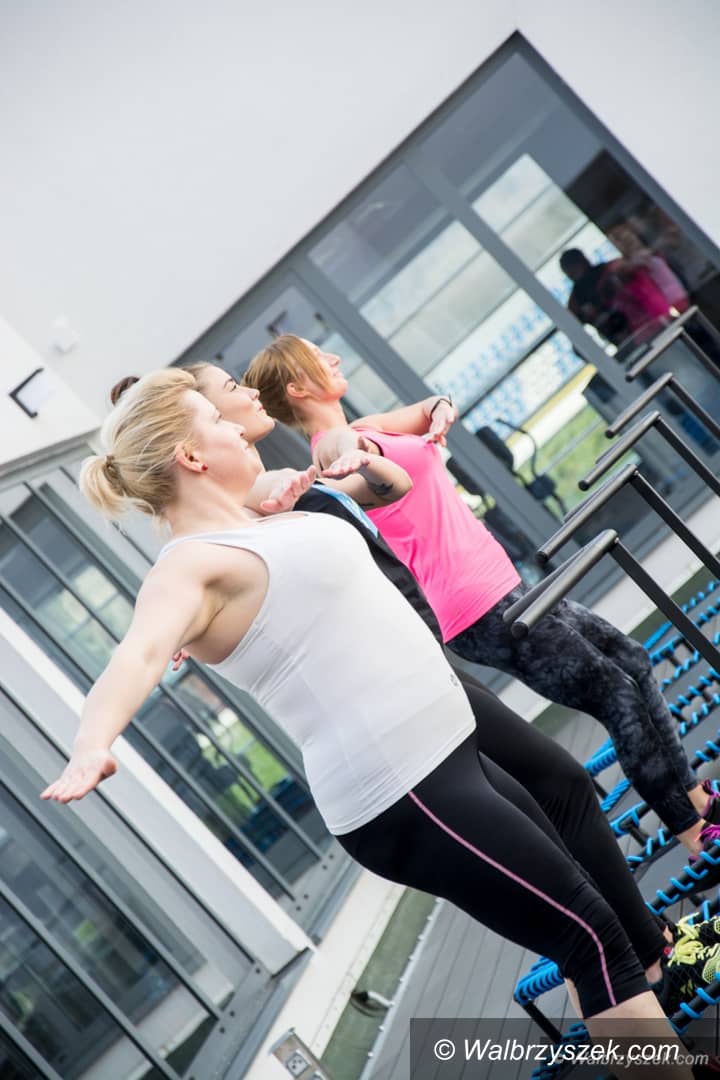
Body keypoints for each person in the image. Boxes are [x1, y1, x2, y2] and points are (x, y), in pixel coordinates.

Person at [39, 368, 708, 1073]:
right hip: (405, 789)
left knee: (587, 921)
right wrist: (92, 742)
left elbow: (382, 489)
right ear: (192, 456)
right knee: (590, 938)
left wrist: (341, 464)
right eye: (219, 420)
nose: (238, 425)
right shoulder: (187, 568)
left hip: (449, 750)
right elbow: (139, 652)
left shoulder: (258, 515)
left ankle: (668, 1045)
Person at [242, 335, 720, 860]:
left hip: (503, 584)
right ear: (298, 387)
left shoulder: (368, 426)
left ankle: (697, 799)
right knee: (616, 695)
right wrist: (353, 455)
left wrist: (440, 410)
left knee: (631, 659)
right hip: (480, 608)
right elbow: (341, 452)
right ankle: (693, 834)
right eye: (318, 357)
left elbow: (428, 407)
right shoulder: (336, 447)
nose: (333, 357)